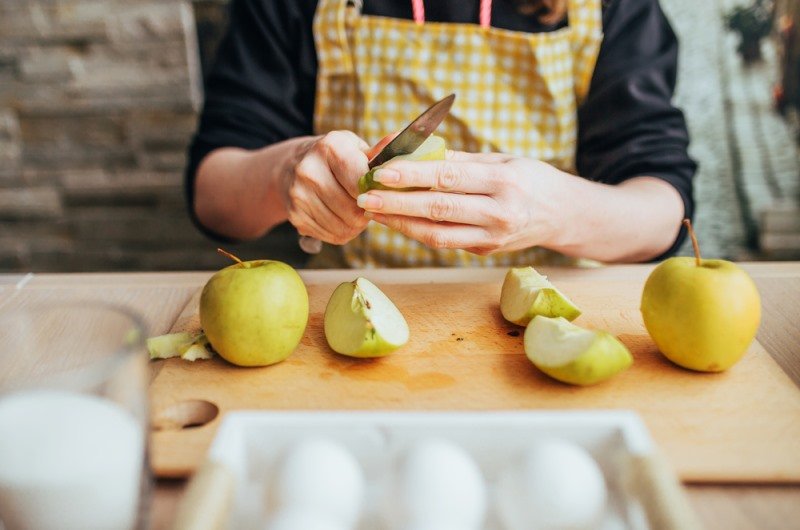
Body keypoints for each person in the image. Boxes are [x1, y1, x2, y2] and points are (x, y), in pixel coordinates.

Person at [186, 0, 696, 268]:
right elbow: (212, 196)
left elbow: (662, 210)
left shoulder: (611, 6)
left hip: (537, 327)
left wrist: (556, 210)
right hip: (350, 316)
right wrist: (282, 174)